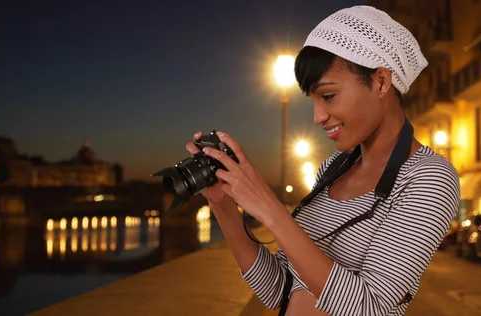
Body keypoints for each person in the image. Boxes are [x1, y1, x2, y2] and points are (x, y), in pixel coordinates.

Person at [185, 5, 459, 316]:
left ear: (382, 81)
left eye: (328, 96)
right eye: (313, 100)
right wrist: (223, 205)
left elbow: (371, 309)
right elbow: (277, 290)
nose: (318, 117)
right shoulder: (333, 169)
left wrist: (271, 210)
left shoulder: (429, 177)